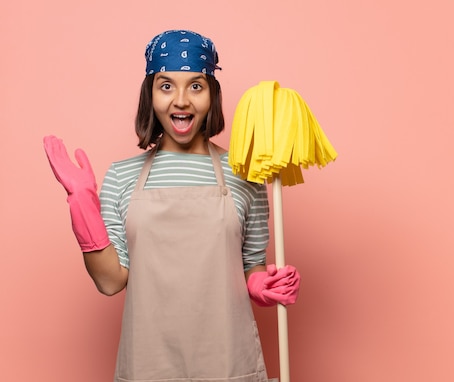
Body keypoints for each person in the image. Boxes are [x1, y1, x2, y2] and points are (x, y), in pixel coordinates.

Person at [43, 29, 300, 382]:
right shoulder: (121, 177)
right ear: (150, 95)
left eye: (196, 86)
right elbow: (110, 281)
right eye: (166, 86)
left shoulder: (245, 174)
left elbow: (251, 267)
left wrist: (261, 285)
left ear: (212, 95)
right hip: (148, 366)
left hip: (227, 363)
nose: (181, 100)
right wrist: (81, 203)